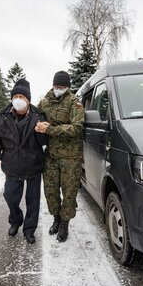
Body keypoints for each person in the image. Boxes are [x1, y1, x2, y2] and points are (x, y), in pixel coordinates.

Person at [0, 78, 48, 244]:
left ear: (28, 99)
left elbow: (44, 142)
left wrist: (41, 132)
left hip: (33, 165)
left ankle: (29, 229)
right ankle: (15, 221)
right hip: (12, 165)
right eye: (16, 96)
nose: (19, 99)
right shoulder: (1, 119)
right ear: (12, 98)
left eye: (23, 96)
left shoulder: (38, 116)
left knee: (33, 201)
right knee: (10, 197)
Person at [35, 71, 84, 242]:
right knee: (50, 191)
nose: (58, 89)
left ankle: (64, 223)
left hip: (71, 157)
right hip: (51, 156)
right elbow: (36, 119)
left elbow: (77, 128)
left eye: (62, 87)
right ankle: (56, 218)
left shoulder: (74, 102)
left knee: (69, 192)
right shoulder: (45, 102)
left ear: (67, 87)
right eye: (57, 86)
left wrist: (51, 129)